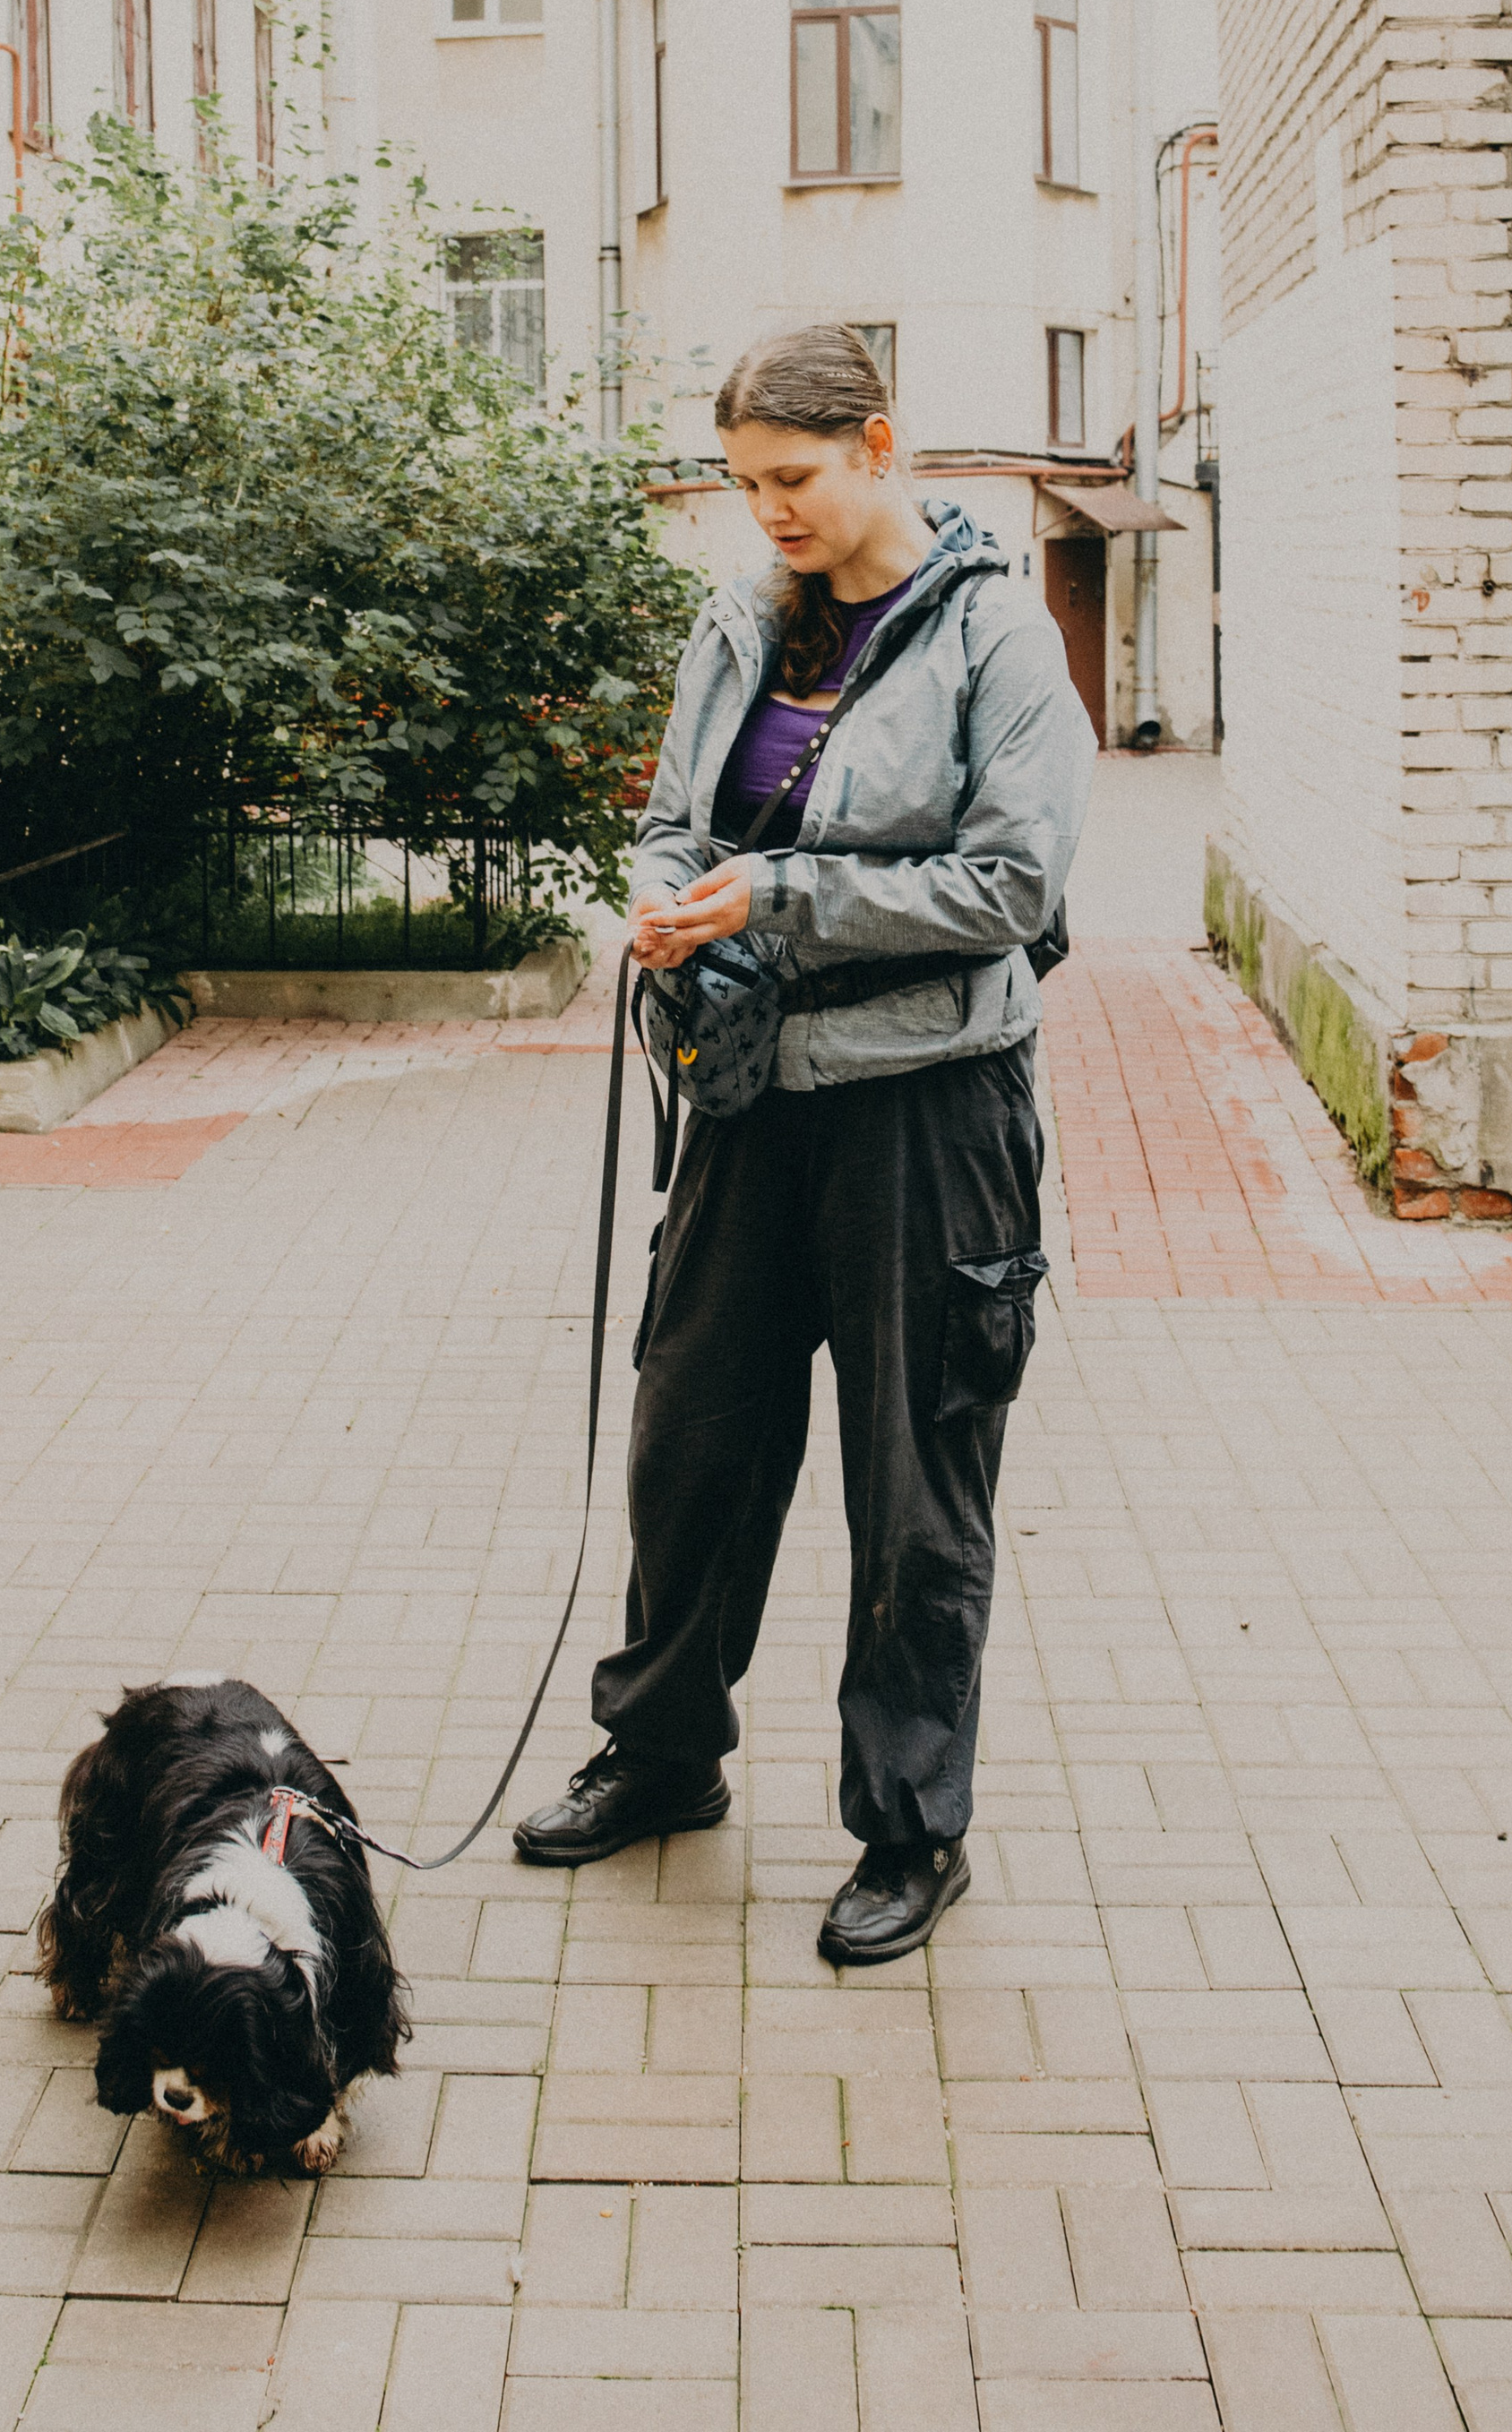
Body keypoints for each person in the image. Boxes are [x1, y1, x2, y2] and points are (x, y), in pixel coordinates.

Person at [511, 324, 1096, 1964]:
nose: (763, 509)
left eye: (792, 478)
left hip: (931, 1105)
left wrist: (776, 893)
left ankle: (910, 1827)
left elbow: (1015, 889)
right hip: (747, 1093)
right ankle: (663, 1751)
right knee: (689, 1437)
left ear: (878, 445)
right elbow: (672, 821)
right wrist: (662, 891)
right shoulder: (740, 619)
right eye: (742, 480)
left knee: (918, 1483)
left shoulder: (998, 635)